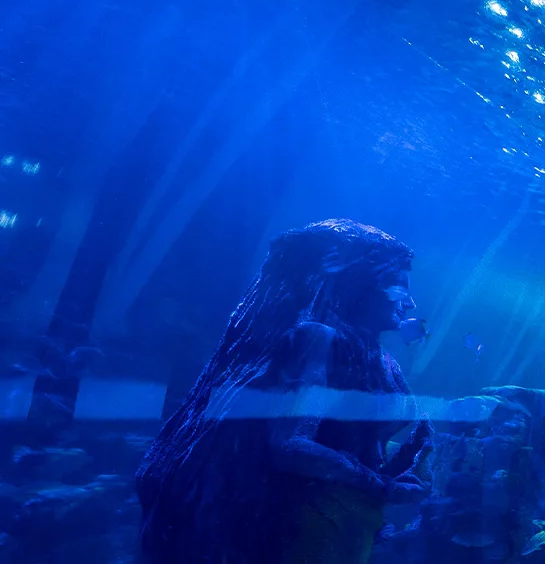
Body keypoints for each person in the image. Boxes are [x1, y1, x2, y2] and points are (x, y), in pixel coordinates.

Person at [136, 219, 431, 563]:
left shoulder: (385, 361)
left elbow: (365, 442)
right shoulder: (318, 340)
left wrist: (410, 460)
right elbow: (290, 445)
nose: (409, 302)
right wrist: (382, 486)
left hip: (356, 522)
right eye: (396, 286)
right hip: (304, 525)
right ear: (358, 283)